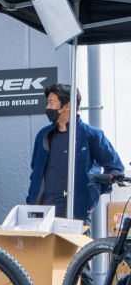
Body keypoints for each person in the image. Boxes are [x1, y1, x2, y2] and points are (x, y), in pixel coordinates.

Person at [27, 83, 123, 221]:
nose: (47, 107)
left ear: (67, 106)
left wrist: (92, 190)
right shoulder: (43, 136)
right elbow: (35, 171)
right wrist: (32, 201)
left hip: (77, 214)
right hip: (43, 214)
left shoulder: (91, 135)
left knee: (80, 244)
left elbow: (116, 169)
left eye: (51, 103)